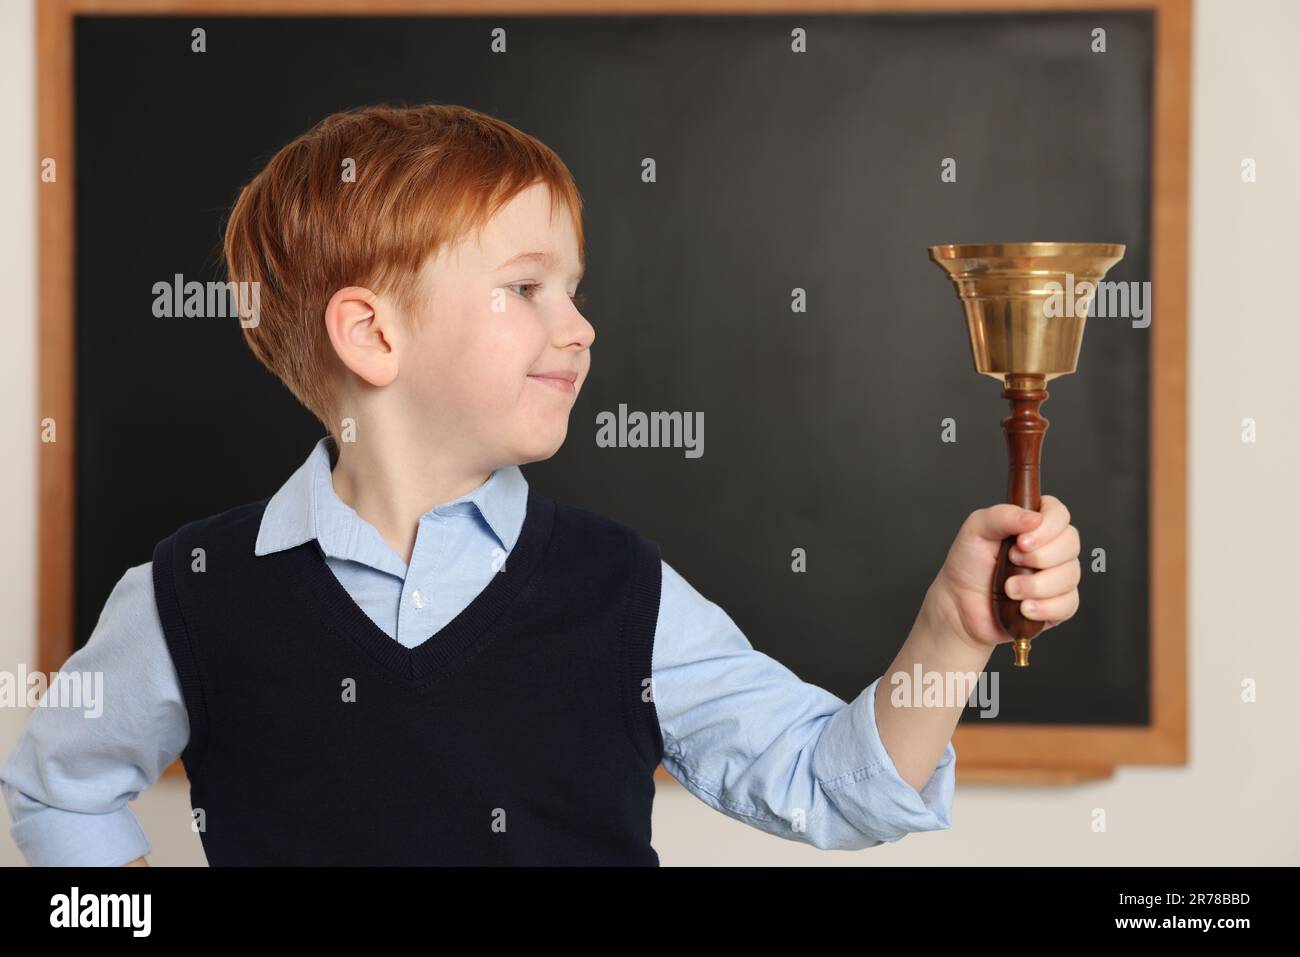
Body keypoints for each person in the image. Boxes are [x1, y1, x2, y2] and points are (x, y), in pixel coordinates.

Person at [1, 104, 1080, 865]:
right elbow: (58, 790)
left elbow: (829, 788)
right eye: (525, 287)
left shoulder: (622, 591)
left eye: (573, 286)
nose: (580, 325)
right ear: (371, 334)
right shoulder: (190, 592)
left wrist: (950, 635)